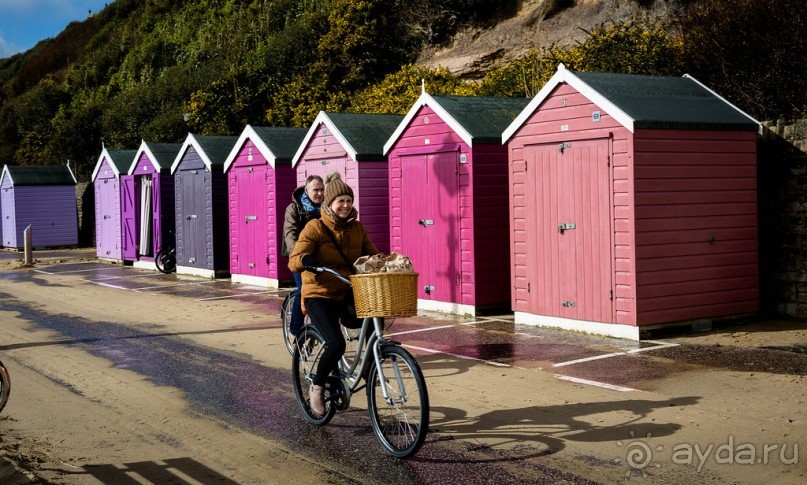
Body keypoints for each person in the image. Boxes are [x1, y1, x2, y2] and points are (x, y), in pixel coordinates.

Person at [289, 171, 378, 417]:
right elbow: (294, 259)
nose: (346, 205)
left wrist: (386, 263)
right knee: (336, 343)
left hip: (347, 290)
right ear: (330, 204)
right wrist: (306, 260)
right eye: (341, 200)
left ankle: (372, 366)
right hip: (320, 294)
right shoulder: (315, 227)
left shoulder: (357, 228)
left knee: (376, 315)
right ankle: (317, 385)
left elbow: (371, 255)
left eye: (349, 200)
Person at [282, 175, 325, 336]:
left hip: (320, 256)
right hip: (300, 257)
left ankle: (318, 331)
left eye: (322, 190)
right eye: (316, 190)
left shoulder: (325, 209)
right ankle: (296, 330)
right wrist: (298, 256)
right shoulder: (294, 209)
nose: (320, 193)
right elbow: (290, 234)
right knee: (304, 290)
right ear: (307, 190)